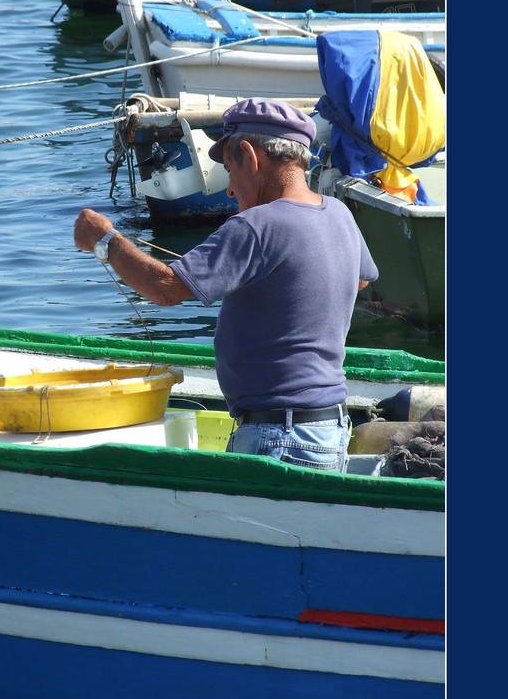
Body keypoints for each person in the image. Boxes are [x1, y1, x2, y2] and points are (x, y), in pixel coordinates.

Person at [74, 97, 378, 473]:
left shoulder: (256, 226)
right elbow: (362, 278)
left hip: (278, 436)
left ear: (250, 157)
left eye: (230, 170)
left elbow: (166, 289)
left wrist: (105, 241)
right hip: (329, 428)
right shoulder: (339, 214)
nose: (230, 190)